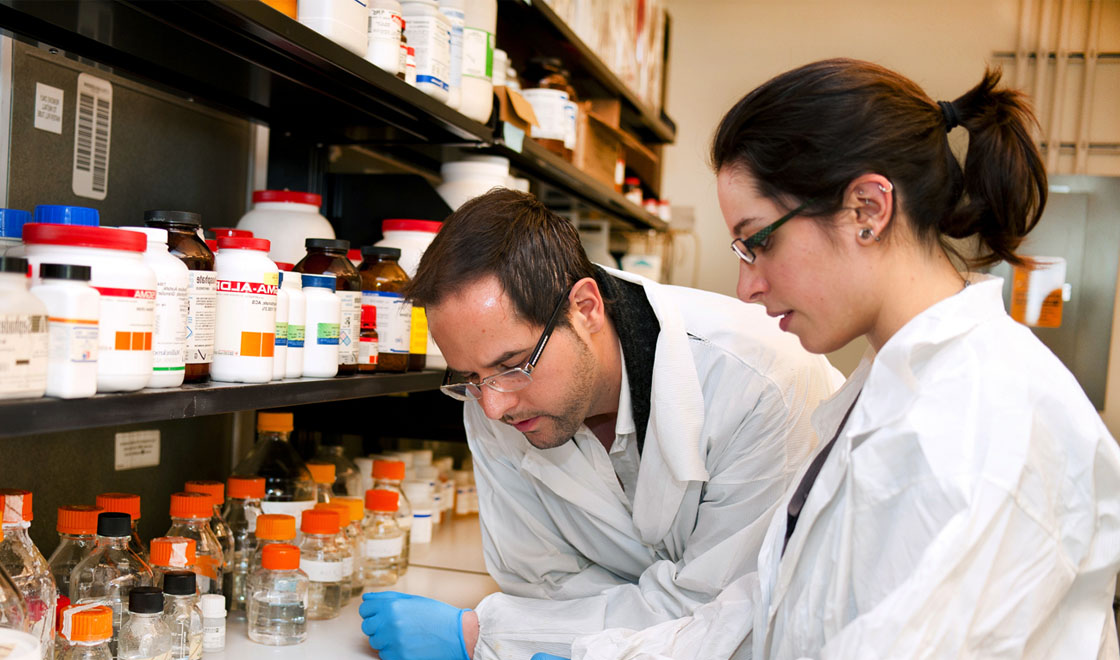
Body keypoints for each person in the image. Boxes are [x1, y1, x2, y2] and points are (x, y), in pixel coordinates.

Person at [570, 59, 1120, 660]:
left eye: (759, 242)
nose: (746, 287)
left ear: (867, 209)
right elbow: (772, 613)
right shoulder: (884, 391)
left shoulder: (981, 421)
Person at [357, 187, 845, 660]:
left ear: (586, 307)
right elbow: (540, 585)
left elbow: (720, 616)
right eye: (469, 377)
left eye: (513, 365)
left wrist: (490, 635)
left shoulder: (761, 383)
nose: (493, 408)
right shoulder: (492, 393)